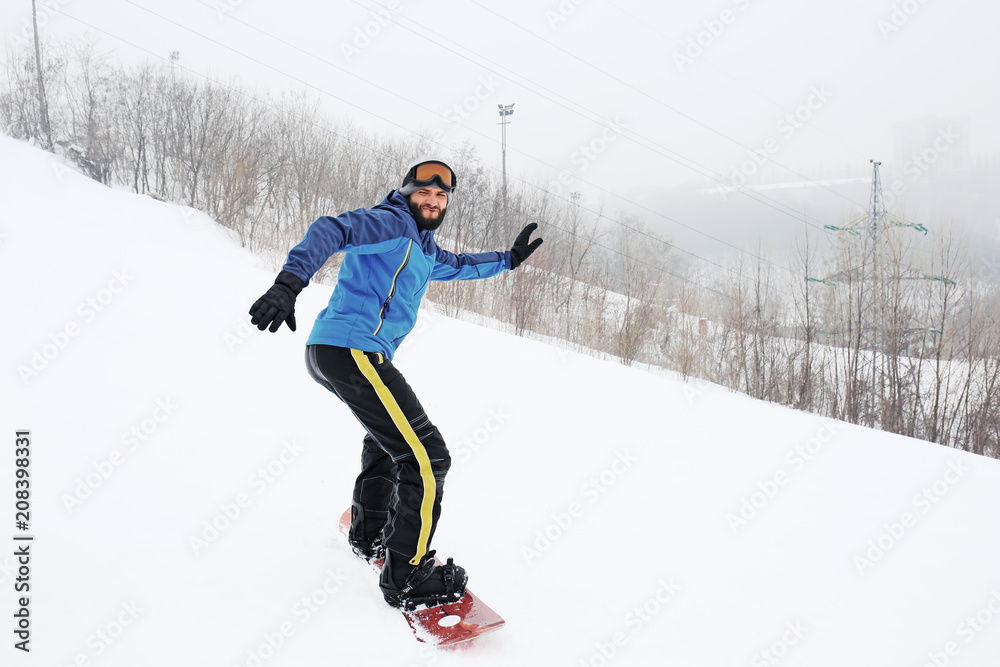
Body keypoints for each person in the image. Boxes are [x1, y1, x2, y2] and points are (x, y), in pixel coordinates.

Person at [248, 158, 543, 610]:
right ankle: (407, 577)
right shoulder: (391, 224)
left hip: (338, 353)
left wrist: (509, 260)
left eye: (441, 195)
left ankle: (370, 535)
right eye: (424, 191)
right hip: (350, 349)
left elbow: (461, 265)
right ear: (407, 192)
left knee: (390, 441)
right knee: (428, 458)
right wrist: (290, 283)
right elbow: (331, 229)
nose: (432, 200)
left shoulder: (424, 250)